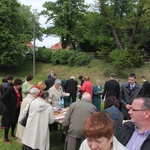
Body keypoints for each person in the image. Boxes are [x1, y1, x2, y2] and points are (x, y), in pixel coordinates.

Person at [1, 78, 22, 144]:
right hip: (9, 109)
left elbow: (19, 97)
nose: (20, 86)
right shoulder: (10, 89)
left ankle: (12, 134)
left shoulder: (19, 89)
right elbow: (3, 98)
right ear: (16, 84)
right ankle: (5, 137)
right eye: (19, 85)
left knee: (14, 122)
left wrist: (20, 101)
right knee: (8, 123)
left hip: (17, 108)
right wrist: (9, 105)